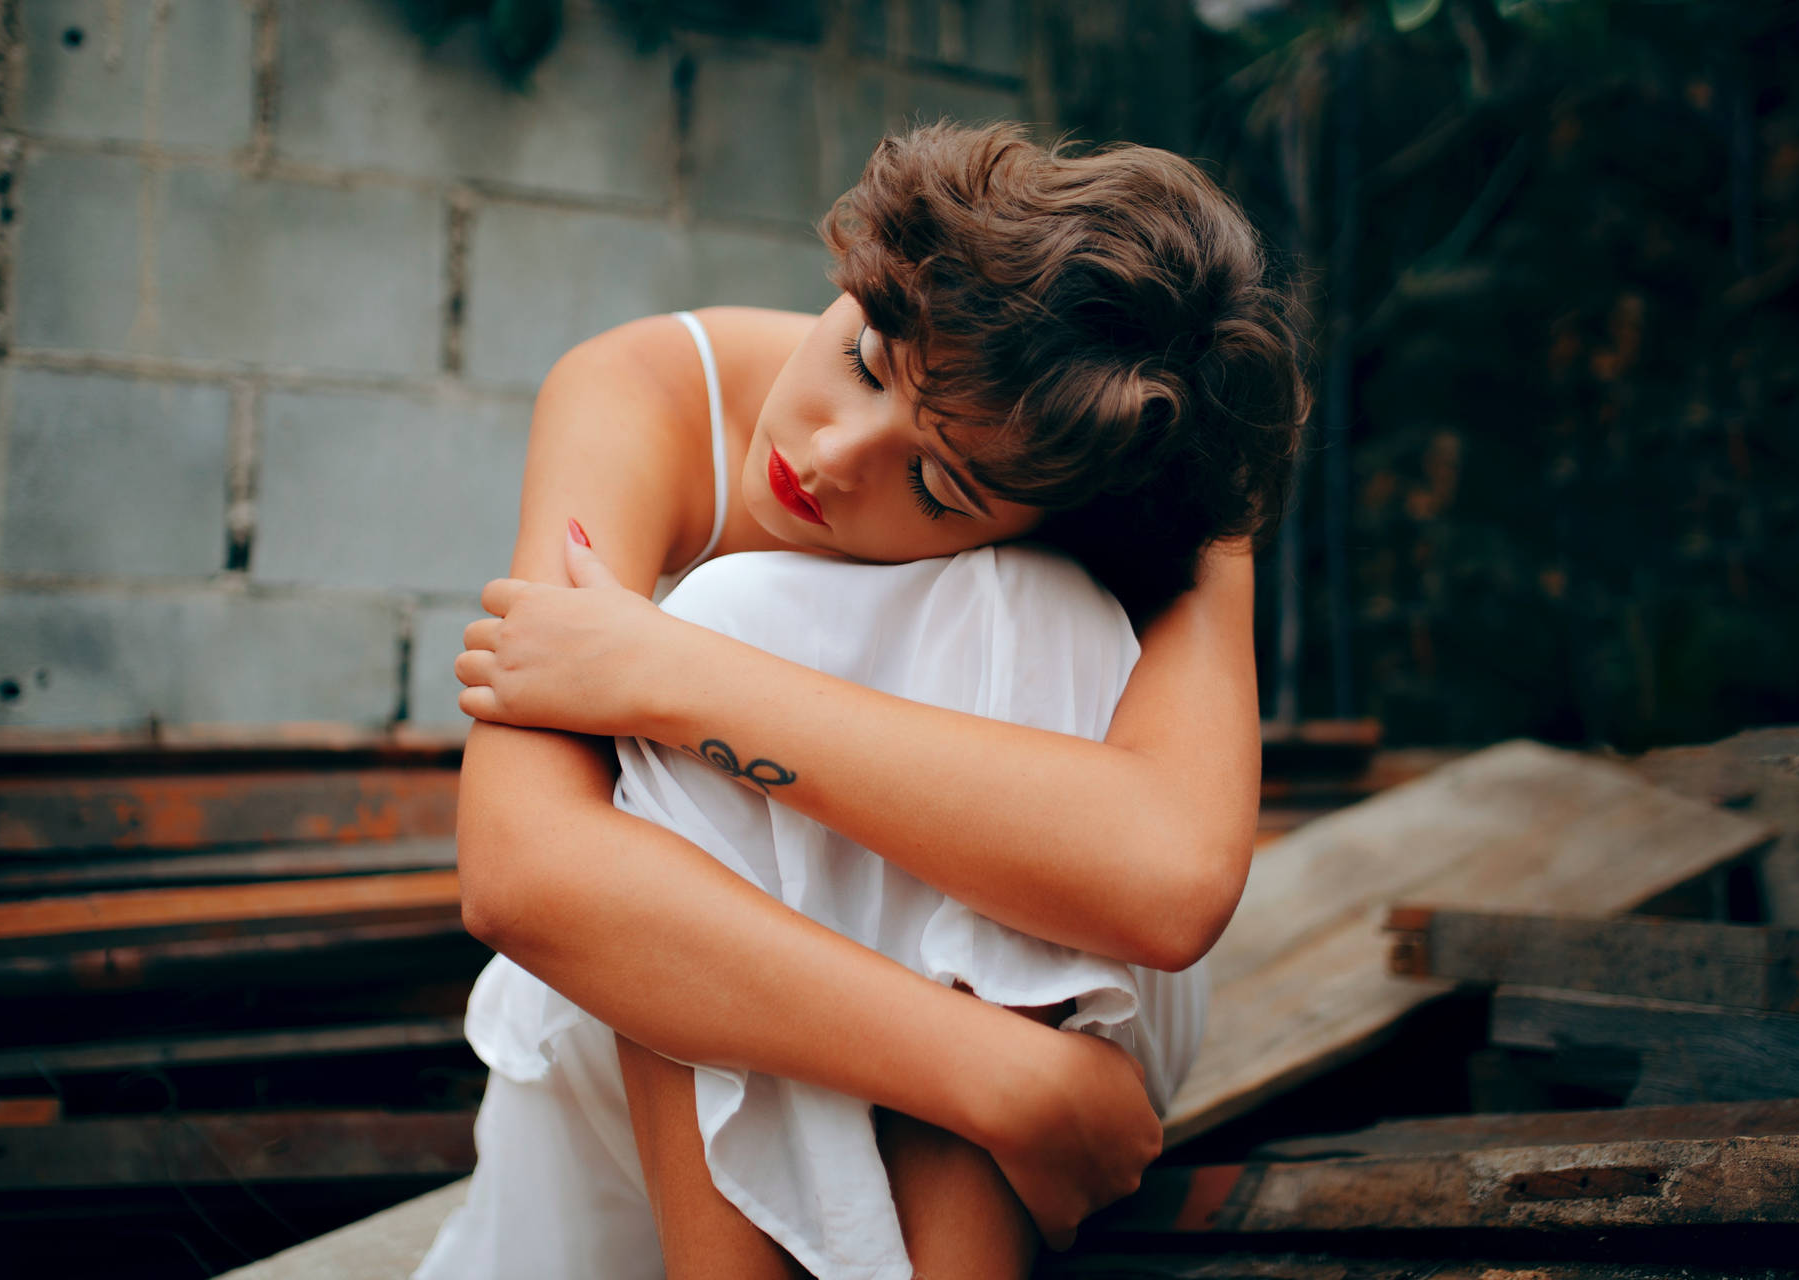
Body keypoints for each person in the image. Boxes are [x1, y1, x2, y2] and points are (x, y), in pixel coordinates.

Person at [430, 122, 1307, 1278]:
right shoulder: (641, 388)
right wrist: (999, 1075)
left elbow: (1169, 880)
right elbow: (520, 870)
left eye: (937, 484)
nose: (832, 452)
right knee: (734, 606)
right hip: (673, 1054)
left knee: (1011, 604)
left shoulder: (1135, 455)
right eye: (864, 355)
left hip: (1082, 1006)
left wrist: (667, 674)